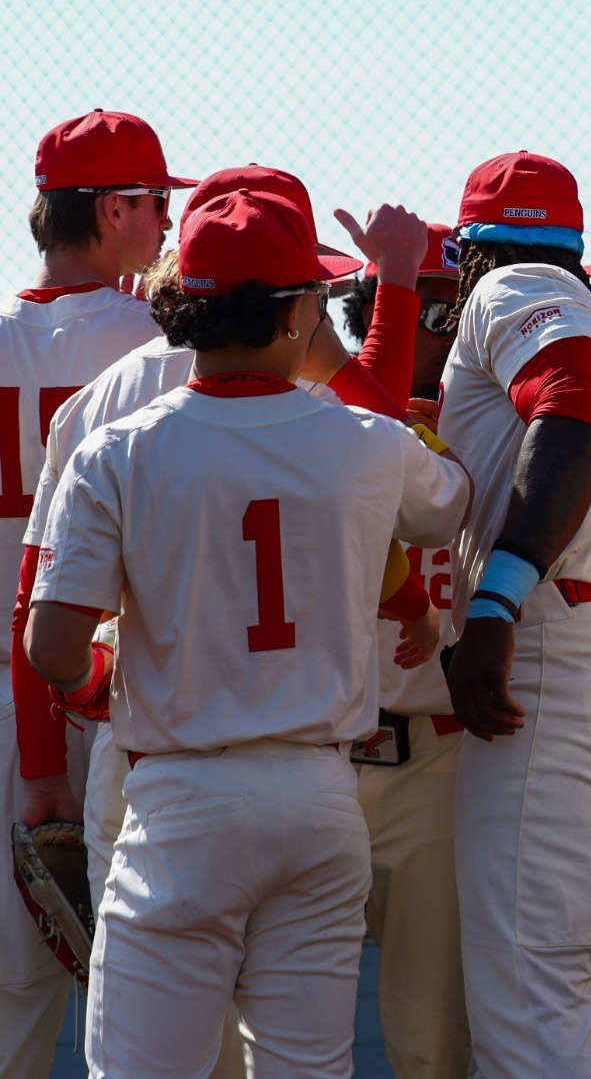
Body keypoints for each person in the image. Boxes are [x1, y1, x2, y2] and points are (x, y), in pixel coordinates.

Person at [26, 187, 470, 1077]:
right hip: (317, 795)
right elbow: (449, 501)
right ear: (302, 309)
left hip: (182, 798)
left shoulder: (117, 447)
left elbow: (51, 645)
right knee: (308, 1066)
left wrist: (91, 680)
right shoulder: (363, 439)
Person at [436, 151, 591, 1077]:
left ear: (473, 250)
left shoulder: (518, 286)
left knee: (533, 1015)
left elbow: (572, 401)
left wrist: (498, 598)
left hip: (560, 653)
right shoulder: (586, 308)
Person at [1, 108, 194, 1077]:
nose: (165, 224)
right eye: (156, 203)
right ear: (113, 209)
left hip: (13, 700)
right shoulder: (159, 345)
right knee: (156, 996)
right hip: (127, 697)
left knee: (13, 999)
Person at [342, 217, 480, 1078]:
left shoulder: (498, 424)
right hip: (318, 756)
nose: (454, 328)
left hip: (435, 759)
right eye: (437, 311)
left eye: (459, 311)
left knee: (429, 1043)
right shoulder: (325, 418)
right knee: (274, 1037)